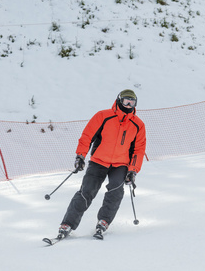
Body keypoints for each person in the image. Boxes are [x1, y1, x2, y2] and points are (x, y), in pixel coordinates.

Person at [58, 89, 146, 240]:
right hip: (99, 161)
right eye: (126, 101)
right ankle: (67, 224)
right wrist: (80, 156)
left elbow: (139, 149)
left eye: (132, 102)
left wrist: (133, 170)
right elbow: (87, 137)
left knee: (116, 192)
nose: (129, 105)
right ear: (119, 100)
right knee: (86, 192)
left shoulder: (138, 125)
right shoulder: (103, 116)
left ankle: (104, 221)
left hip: (120, 164)